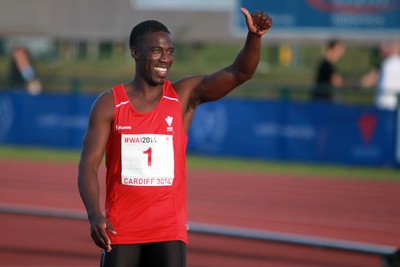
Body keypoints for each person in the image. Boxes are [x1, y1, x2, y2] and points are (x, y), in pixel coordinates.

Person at [77, 7, 272, 267]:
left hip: (169, 231)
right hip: (121, 228)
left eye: (170, 51)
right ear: (135, 53)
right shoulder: (110, 104)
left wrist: (254, 37)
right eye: (156, 50)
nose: (165, 59)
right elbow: (88, 164)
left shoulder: (182, 97)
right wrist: (93, 214)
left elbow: (240, 73)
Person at [373, 41, 400, 110]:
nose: (381, 47)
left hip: (388, 104)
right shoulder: (388, 62)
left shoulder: (390, 63)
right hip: (387, 103)